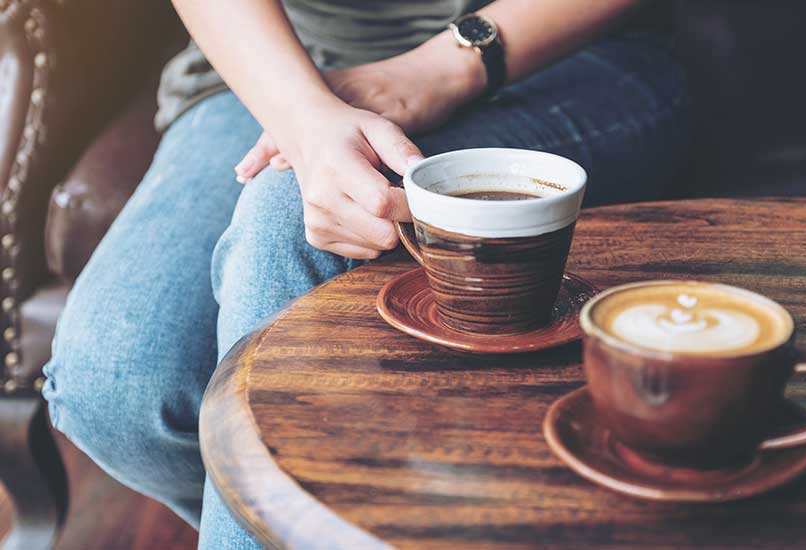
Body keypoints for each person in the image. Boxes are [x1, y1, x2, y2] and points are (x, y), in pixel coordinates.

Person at [42, 0, 688, 547]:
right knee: (117, 393)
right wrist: (302, 118)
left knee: (286, 210)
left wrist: (443, 68)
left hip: (566, 57)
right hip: (271, 60)